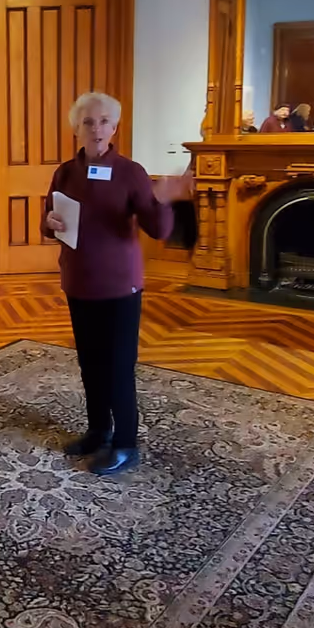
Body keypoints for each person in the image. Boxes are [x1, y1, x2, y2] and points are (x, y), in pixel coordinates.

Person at [40, 92, 187, 477]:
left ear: (115, 127)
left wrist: (165, 200)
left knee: (118, 367)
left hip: (120, 287)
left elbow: (158, 229)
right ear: (76, 128)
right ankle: (98, 431)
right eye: (88, 122)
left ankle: (125, 444)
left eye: (104, 121)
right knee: (90, 364)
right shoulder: (65, 173)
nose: (96, 129)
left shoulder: (130, 172)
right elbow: (50, 219)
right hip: (79, 281)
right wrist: (49, 225)